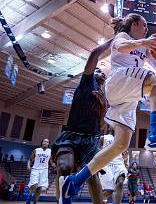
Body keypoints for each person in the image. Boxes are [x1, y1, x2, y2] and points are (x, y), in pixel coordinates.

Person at [59, 13, 156, 203]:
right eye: (143, 25)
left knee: (121, 145)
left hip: (127, 95)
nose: (146, 29)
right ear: (134, 24)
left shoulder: (144, 47)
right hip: (119, 80)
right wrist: (145, 42)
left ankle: (74, 183)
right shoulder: (123, 37)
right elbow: (119, 47)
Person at [52, 39, 111, 204]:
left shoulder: (105, 97)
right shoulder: (86, 83)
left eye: (102, 71)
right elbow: (94, 53)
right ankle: (61, 200)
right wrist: (115, 40)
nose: (100, 71)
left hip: (91, 139)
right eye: (97, 69)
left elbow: (101, 126)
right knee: (64, 168)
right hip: (71, 135)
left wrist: (104, 106)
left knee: (92, 175)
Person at [99, 129, 129, 204]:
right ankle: (99, 200)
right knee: (108, 191)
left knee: (120, 182)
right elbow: (96, 151)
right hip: (106, 165)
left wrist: (125, 160)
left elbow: (125, 157)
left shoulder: (122, 140)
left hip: (119, 164)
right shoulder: (103, 138)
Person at [26, 138, 55, 204]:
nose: (45, 142)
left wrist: (55, 166)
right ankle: (29, 197)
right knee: (34, 185)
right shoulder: (36, 150)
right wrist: (28, 166)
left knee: (41, 188)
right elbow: (30, 159)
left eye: (47, 142)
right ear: (42, 143)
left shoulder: (50, 151)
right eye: (44, 141)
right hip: (35, 170)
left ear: (48, 144)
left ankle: (35, 202)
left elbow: (51, 162)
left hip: (44, 171)